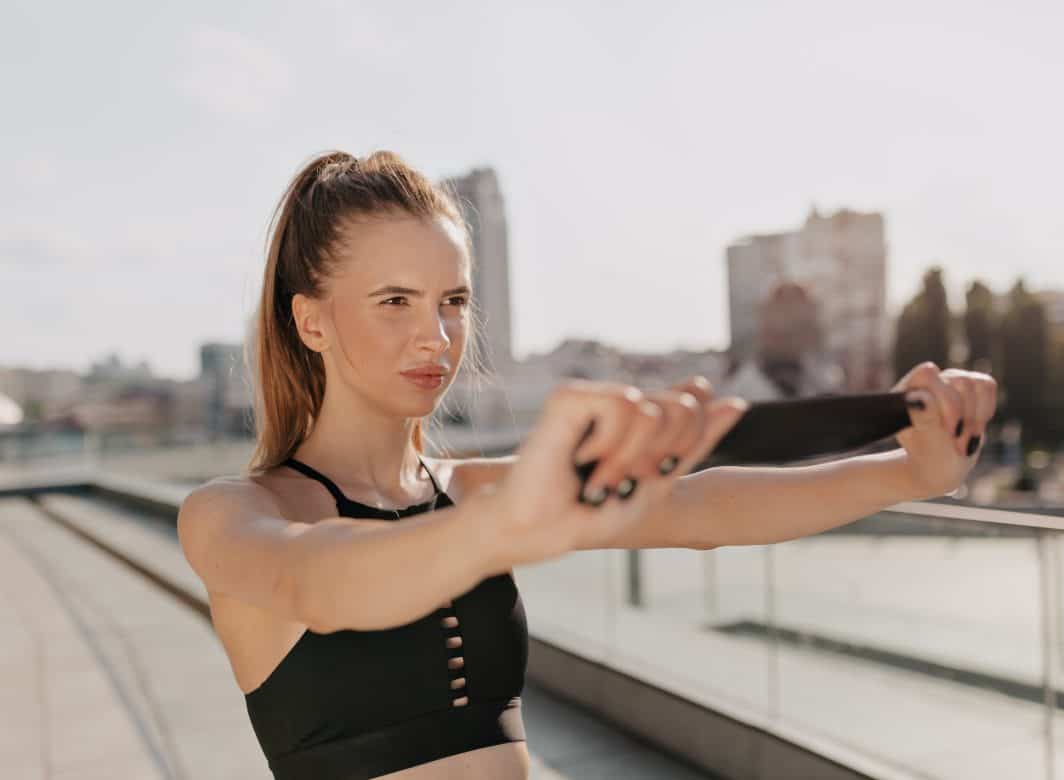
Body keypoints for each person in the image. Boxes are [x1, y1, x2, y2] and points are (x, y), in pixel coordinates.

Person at [177, 150, 997, 780]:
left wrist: (908, 474)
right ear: (311, 321)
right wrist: (514, 521)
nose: (437, 337)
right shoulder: (233, 515)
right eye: (395, 301)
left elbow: (700, 510)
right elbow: (322, 584)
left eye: (453, 301)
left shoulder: (475, 494)